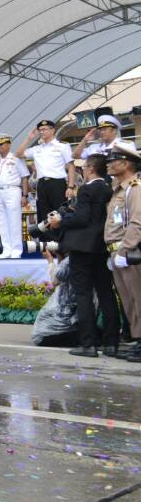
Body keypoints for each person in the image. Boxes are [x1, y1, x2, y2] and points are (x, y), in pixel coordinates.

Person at [48, 154, 114, 358]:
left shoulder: (87, 189)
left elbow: (83, 218)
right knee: (106, 293)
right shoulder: (109, 188)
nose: (82, 170)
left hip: (83, 248)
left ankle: (88, 343)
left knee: (83, 294)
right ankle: (111, 343)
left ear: (91, 169)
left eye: (84, 167)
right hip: (101, 247)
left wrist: (60, 222)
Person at [103, 142, 141, 362]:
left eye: (112, 160)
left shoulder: (134, 188)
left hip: (129, 252)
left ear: (125, 163)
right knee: (128, 300)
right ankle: (137, 339)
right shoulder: (118, 189)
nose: (108, 164)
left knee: (138, 298)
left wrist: (124, 250)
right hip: (117, 252)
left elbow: (137, 222)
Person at [15, 119, 74, 240]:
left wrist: (71, 186)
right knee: (44, 215)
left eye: (45, 129)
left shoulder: (62, 146)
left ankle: (61, 244)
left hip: (57, 183)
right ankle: (47, 245)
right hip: (42, 184)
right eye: (40, 130)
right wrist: (29, 138)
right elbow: (19, 154)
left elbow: (71, 165)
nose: (42, 132)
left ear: (53, 130)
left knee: (59, 213)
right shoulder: (37, 149)